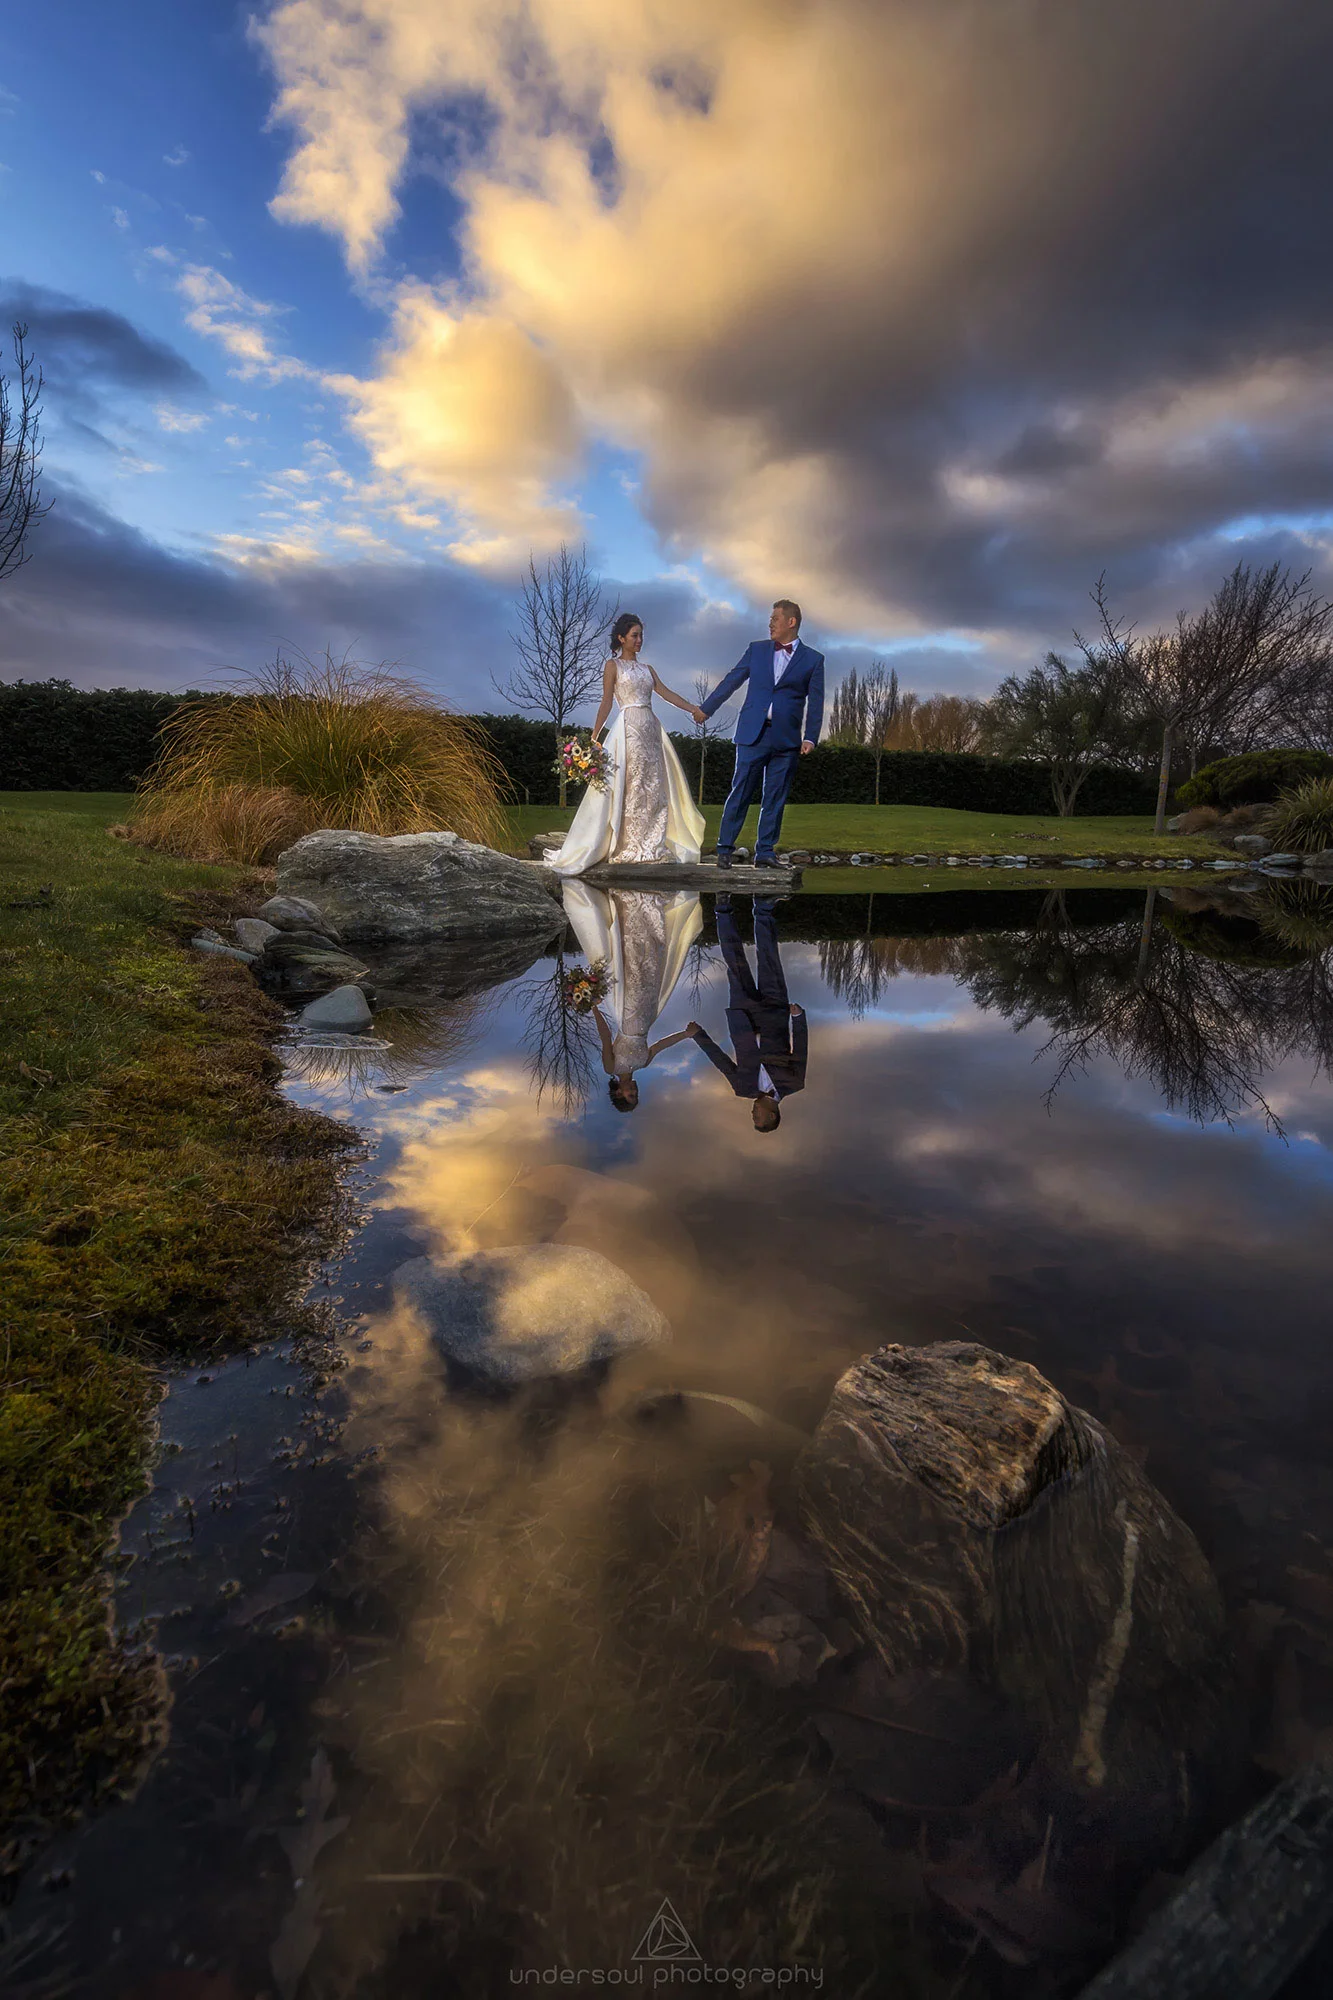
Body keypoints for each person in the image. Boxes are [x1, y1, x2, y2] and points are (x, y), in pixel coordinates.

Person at [544, 613, 707, 877]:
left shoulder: (647, 669)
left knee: (653, 787)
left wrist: (693, 708)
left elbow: (665, 693)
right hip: (628, 727)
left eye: (641, 635)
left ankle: (652, 846)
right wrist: (593, 738)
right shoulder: (612, 666)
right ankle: (627, 846)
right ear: (621, 638)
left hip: (651, 729)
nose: (640, 640)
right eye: (634, 635)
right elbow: (607, 701)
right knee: (630, 786)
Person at [697, 600, 824, 869]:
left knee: (774, 798)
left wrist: (810, 736)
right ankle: (724, 849)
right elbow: (732, 680)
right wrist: (706, 709)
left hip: (787, 740)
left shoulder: (814, 660)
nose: (770, 623)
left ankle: (765, 851)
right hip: (752, 734)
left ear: (791, 622)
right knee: (740, 791)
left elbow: (816, 701)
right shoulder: (756, 650)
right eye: (770, 619)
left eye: (775, 618)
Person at [687, 898, 807, 1131]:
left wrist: (699, 1036)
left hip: (744, 1016)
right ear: (771, 1116)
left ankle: (722, 907)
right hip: (775, 1010)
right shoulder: (794, 1083)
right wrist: (798, 1018)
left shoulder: (742, 1088)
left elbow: (722, 1062)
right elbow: (801, 1050)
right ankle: (763, 908)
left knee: (734, 960)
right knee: (769, 957)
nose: (752, 1113)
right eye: (756, 1117)